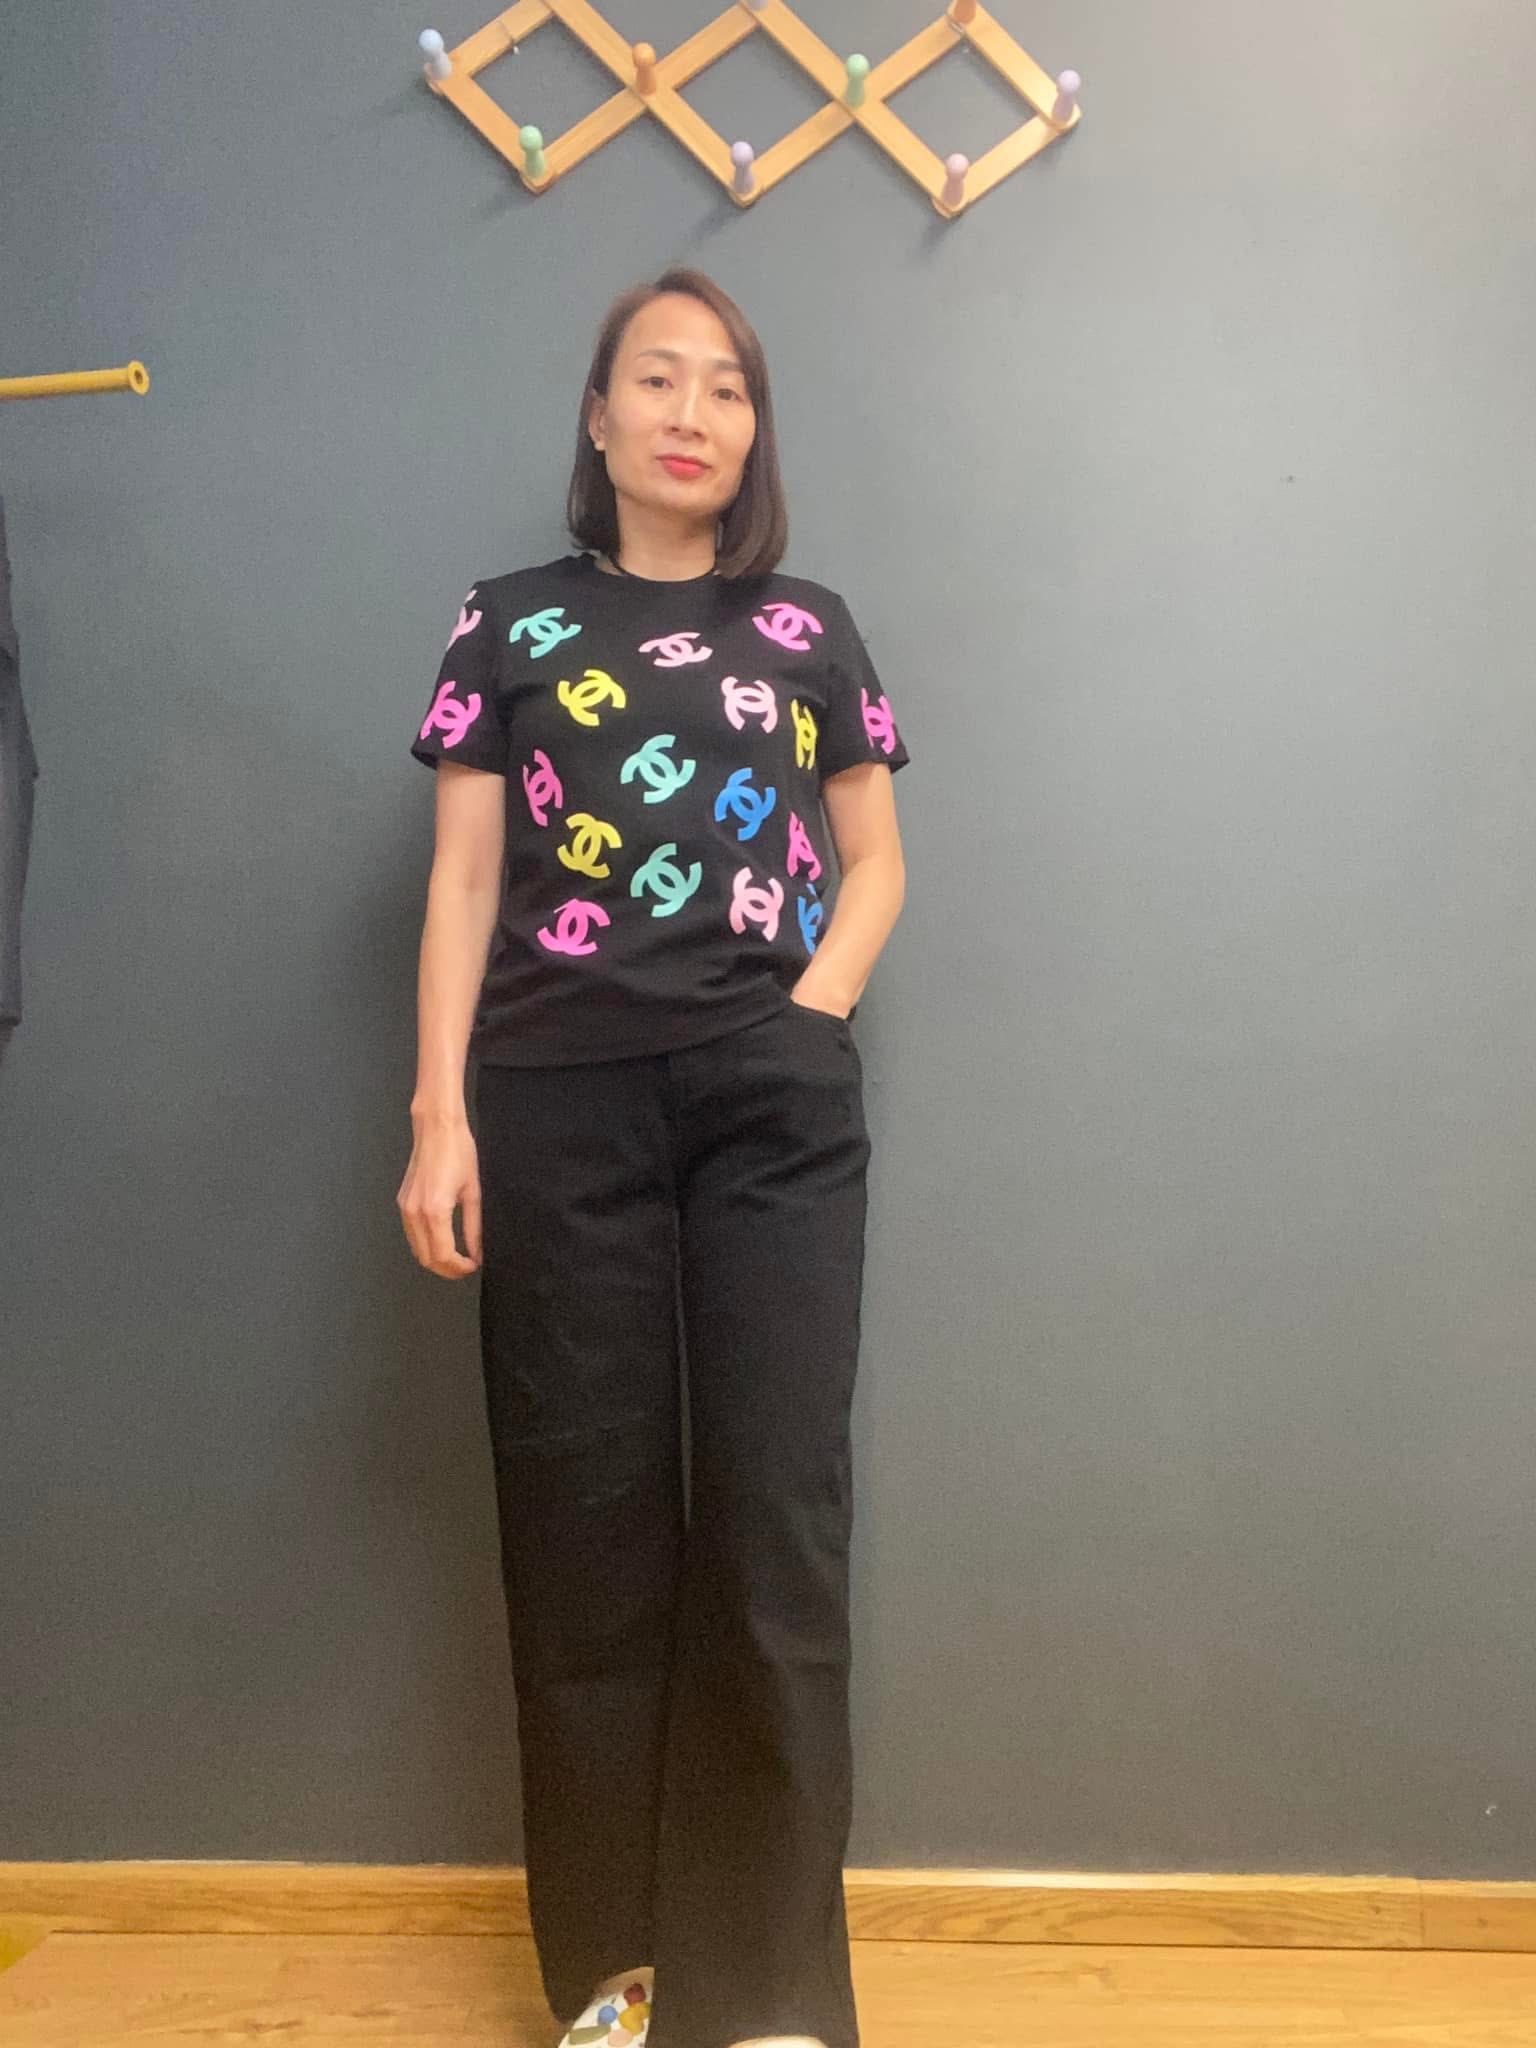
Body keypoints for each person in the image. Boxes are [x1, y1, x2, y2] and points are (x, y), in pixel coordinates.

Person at [397, 267, 911, 2048]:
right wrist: (441, 1114)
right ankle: (614, 1978)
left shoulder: (812, 630)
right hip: (557, 1105)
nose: (693, 413)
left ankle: (768, 1995)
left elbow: (877, 859)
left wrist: (811, 1013)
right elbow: (464, 880)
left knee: (775, 1530)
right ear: (601, 415)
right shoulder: (507, 624)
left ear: (753, 433)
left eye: (728, 388)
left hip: (772, 1112)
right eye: (658, 379)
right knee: (585, 1533)